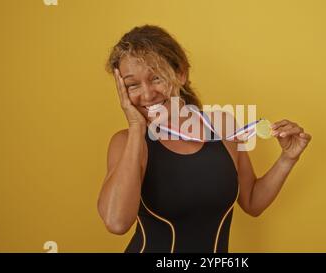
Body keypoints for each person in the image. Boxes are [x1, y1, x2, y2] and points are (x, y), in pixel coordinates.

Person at [97, 25, 312, 253]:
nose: (148, 94)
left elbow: (252, 201)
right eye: (133, 85)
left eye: (156, 78)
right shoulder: (125, 142)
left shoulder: (222, 126)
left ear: (181, 73)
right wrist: (136, 129)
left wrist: (287, 158)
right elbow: (116, 222)